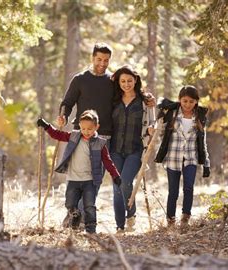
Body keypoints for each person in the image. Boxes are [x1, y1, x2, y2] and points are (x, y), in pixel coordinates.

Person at [57, 42, 156, 224]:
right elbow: (67, 102)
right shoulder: (80, 79)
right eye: (99, 59)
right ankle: (73, 212)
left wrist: (148, 98)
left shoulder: (112, 81)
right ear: (92, 58)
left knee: (94, 179)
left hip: (104, 138)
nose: (102, 63)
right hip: (80, 135)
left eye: (106, 60)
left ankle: (80, 216)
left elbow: (130, 92)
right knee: (77, 176)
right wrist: (63, 115)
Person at [37, 110, 122, 234]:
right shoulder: (74, 136)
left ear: (96, 127)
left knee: (89, 206)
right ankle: (75, 216)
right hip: (73, 179)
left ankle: (91, 230)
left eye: (89, 129)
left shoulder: (100, 143)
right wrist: (46, 126)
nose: (86, 132)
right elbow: (57, 135)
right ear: (79, 127)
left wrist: (115, 175)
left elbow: (107, 161)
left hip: (90, 181)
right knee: (69, 203)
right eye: (83, 128)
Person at [154, 86, 211, 231]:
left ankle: (185, 218)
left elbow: (203, 141)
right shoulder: (172, 114)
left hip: (191, 157)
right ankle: (170, 220)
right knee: (173, 191)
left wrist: (206, 163)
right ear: (180, 100)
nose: (187, 104)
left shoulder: (199, 117)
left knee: (188, 188)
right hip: (173, 157)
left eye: (191, 101)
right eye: (185, 101)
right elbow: (160, 130)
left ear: (196, 102)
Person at [110, 65, 156, 232]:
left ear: (135, 80)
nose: (126, 84)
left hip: (135, 150)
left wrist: (152, 128)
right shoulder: (113, 100)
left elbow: (153, 121)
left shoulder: (145, 101)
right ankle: (120, 226)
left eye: (129, 80)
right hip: (114, 150)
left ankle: (131, 213)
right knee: (116, 186)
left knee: (125, 182)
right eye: (122, 81)